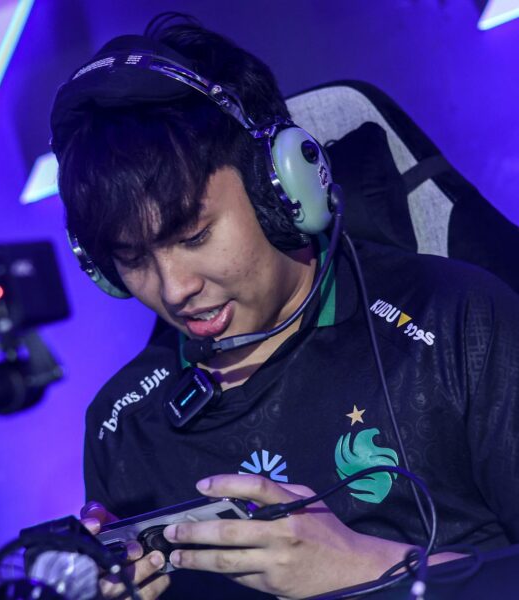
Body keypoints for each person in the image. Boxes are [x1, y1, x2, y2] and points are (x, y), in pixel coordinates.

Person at [50, 14, 519, 600]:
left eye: (194, 236)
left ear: (279, 189)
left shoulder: (456, 322)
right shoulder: (122, 427)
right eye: (132, 258)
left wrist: (367, 568)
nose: (173, 289)